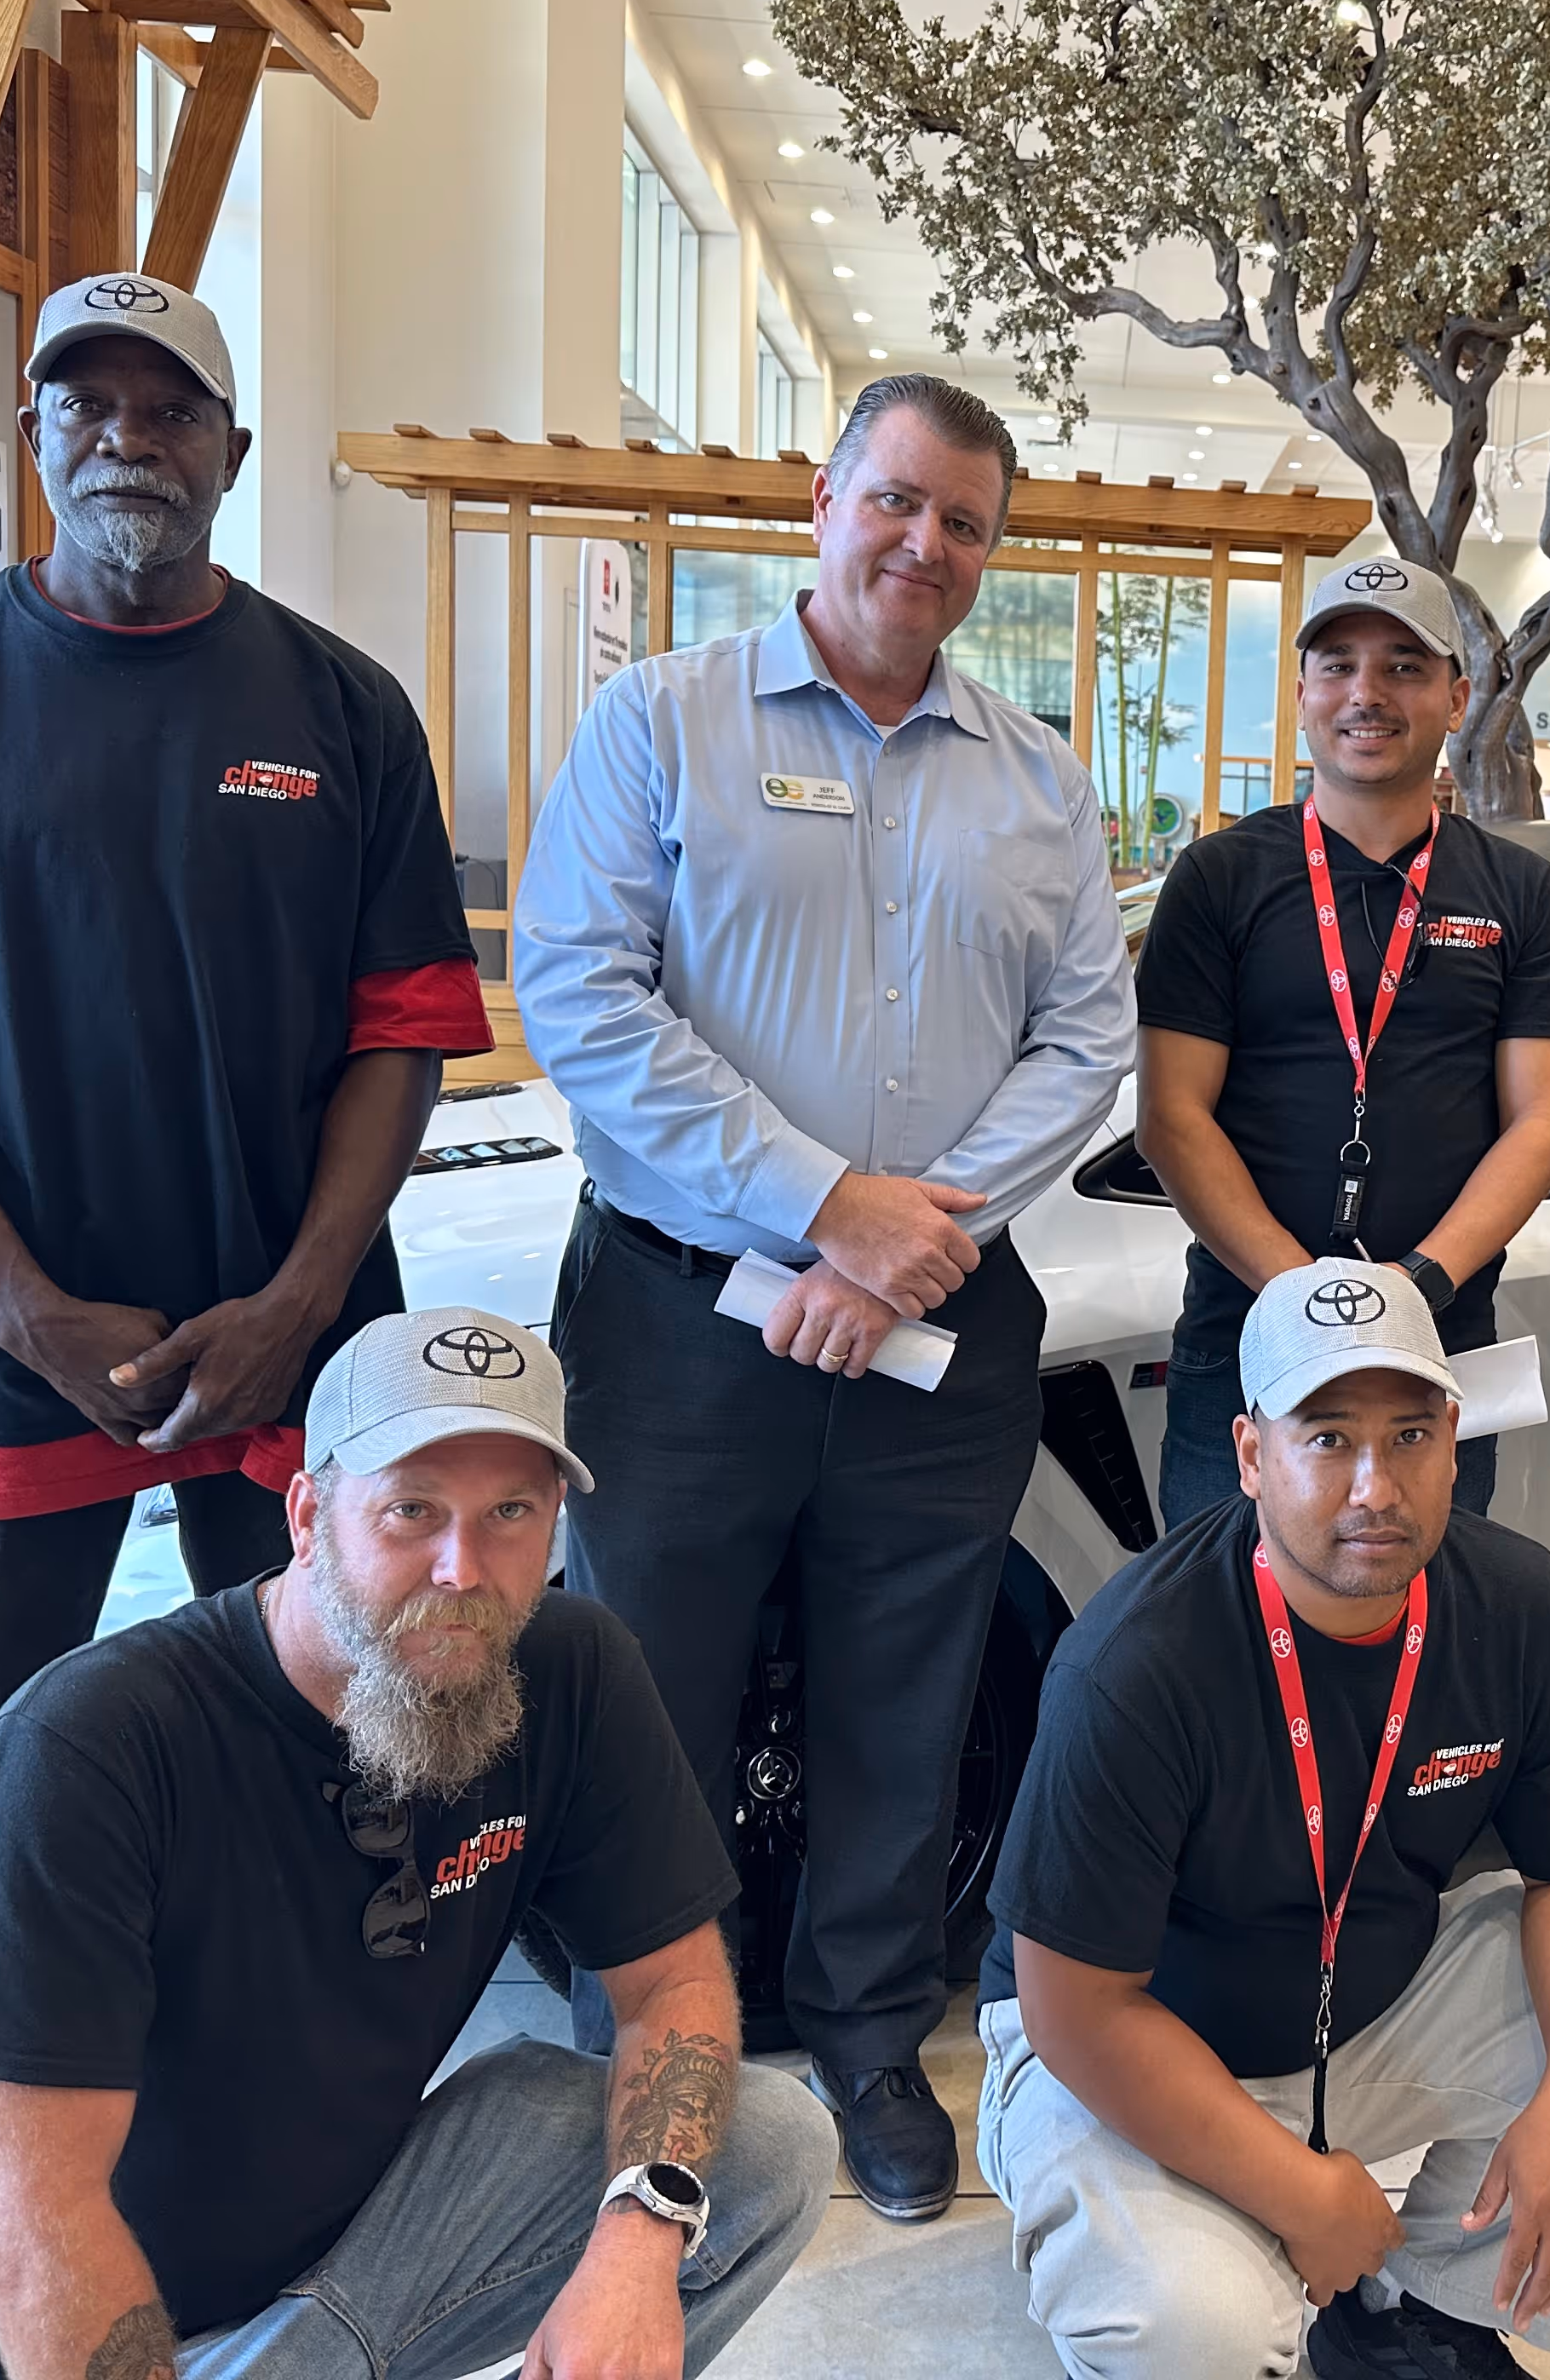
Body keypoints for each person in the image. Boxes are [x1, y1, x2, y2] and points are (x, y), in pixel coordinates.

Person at [0, 273, 489, 1914]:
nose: (128, 437)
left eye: (170, 409)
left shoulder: (343, 709)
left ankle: (318, 2073)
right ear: (31, 438)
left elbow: (399, 1034)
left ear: (234, 447)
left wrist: (294, 1301)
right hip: (16, 1342)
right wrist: (22, 1309)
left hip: (295, 1334)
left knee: (354, 1743)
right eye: (89, 404)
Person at [514, 372, 1136, 2222]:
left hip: (942, 1324)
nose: (924, 547)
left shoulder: (1037, 775)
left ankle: (872, 2039)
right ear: (822, 497)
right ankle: (647, 2062)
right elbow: (586, 1002)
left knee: (906, 1690)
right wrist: (822, 1209)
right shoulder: (660, 723)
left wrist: (906, 1238)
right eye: (898, 501)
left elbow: (1085, 1042)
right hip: (681, 1316)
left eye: (964, 524)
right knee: (648, 1697)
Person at [0, 1308, 835, 2380]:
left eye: (510, 1511)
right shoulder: (91, 1742)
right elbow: (34, 2214)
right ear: (308, 1514)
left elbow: (672, 1987)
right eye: (411, 1511)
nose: (462, 1569)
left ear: (556, 1518)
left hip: (333, 2268)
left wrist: (637, 2249)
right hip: (75, 2344)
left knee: (767, 2148)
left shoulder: (571, 1669)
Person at [976, 1259, 1550, 2380]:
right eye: (1328, 1438)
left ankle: (1427, 2314)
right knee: (1197, 2330)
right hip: (1119, 2054)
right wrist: (1302, 2191)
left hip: (1356, 2014)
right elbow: (1073, 2010)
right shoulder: (1135, 1663)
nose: (1375, 1489)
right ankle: (1182, 2234)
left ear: (1455, 1439)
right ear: (1253, 1456)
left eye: (1408, 1437)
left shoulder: (1523, 1606)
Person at [1137, 557, 1550, 1526]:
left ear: (1457, 696)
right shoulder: (1219, 879)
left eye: (1404, 666)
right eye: (1338, 664)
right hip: (1250, 1327)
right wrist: (1306, 1296)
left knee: (1433, 1629)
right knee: (1218, 1625)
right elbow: (1173, 1118)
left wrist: (1416, 1285)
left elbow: (1541, 1127)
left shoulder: (1517, 893)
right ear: (1302, 694)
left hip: (1442, 1333)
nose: (1366, 694)